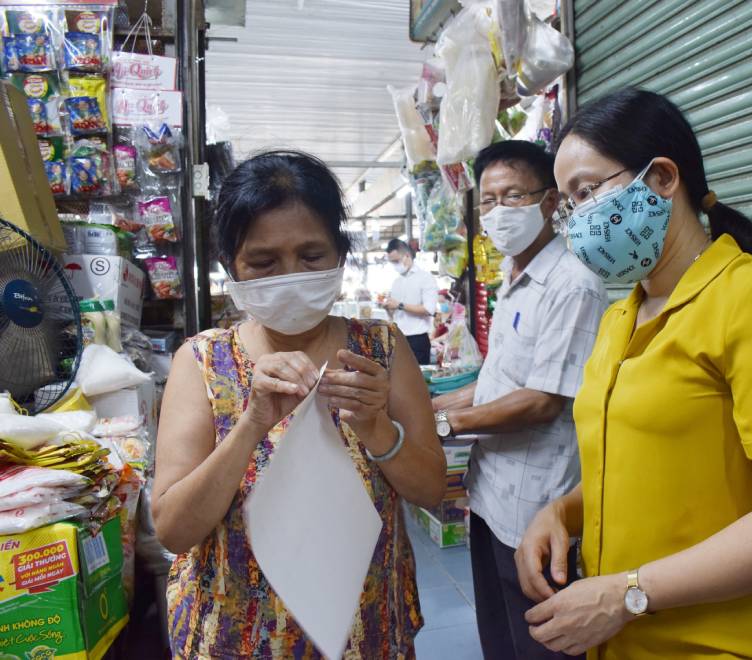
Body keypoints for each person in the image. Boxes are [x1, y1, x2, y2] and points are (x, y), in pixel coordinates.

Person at [514, 88, 752, 659]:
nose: (575, 222)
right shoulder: (621, 315)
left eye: (586, 192)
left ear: (663, 178)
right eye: (567, 207)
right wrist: (560, 512)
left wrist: (627, 595)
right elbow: (635, 464)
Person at [153, 151, 446, 658]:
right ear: (232, 269)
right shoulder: (201, 361)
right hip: (234, 635)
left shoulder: (381, 348)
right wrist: (251, 425)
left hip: (366, 629)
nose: (290, 275)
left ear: (340, 255)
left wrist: (377, 429)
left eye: (311, 257)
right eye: (264, 263)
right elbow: (175, 529)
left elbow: (432, 489)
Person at [431, 140, 608, 660]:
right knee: (499, 636)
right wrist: (431, 405)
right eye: (488, 202)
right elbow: (498, 378)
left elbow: (542, 401)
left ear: (549, 203)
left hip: (535, 508)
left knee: (539, 640)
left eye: (512, 197)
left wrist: (446, 426)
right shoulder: (512, 280)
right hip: (489, 495)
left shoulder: (572, 284)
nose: (498, 213)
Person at [385, 239, 438, 365]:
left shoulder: (425, 278)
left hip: (417, 340)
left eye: (396, 261)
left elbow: (428, 310)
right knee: (399, 380)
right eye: (391, 262)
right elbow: (395, 315)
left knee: (418, 381)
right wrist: (388, 309)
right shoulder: (396, 282)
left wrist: (399, 305)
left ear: (407, 256)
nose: (394, 265)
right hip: (398, 338)